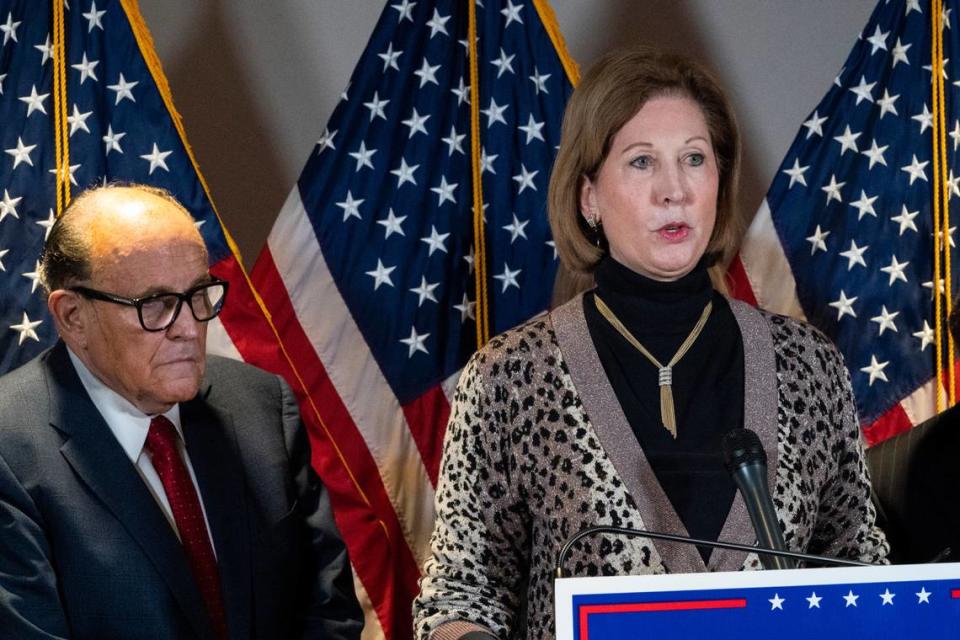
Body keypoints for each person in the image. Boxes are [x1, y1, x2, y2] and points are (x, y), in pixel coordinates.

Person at [413, 47, 888, 639]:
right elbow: (461, 593)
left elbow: (860, 571)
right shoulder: (509, 378)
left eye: (694, 159)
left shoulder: (808, 366)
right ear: (588, 196)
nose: (675, 191)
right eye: (642, 163)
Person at [0, 184, 364, 639]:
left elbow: (329, 611)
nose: (190, 329)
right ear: (73, 316)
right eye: (155, 303)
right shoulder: (9, 449)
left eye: (198, 294)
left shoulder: (262, 405)